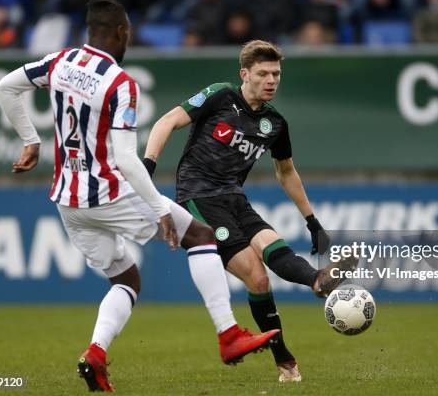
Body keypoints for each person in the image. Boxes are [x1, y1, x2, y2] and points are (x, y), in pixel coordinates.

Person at [0, 0, 278, 393]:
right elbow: (128, 160)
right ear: (122, 33)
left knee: (126, 279)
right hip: (109, 193)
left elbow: (5, 87)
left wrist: (30, 141)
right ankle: (228, 334)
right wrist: (159, 207)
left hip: (67, 200)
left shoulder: (59, 61)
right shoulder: (120, 83)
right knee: (201, 236)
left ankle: (95, 352)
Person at [143, 40, 357, 383]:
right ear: (245, 74)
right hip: (197, 197)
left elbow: (286, 172)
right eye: (263, 73)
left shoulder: (275, 123)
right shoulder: (220, 95)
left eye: (276, 73)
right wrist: (147, 170)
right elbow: (166, 121)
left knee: (273, 247)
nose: (271, 80)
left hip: (234, 199)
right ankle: (284, 358)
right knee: (256, 275)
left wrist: (312, 221)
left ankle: (318, 280)